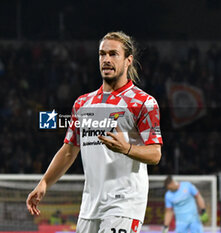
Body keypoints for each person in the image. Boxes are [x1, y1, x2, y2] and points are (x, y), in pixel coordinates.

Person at [26, 31, 163, 233]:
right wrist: (45, 182)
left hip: (124, 204)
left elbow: (155, 154)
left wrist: (126, 148)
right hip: (90, 204)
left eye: (113, 54)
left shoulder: (143, 103)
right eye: (102, 54)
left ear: (128, 61)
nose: (106, 59)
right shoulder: (83, 103)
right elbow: (68, 151)